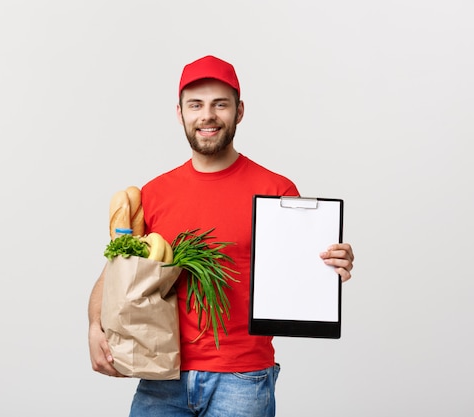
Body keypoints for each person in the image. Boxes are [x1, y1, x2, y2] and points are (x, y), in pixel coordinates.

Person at [88, 55, 355, 417]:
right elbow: (117, 273)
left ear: (239, 111)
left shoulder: (276, 190)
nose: (207, 116)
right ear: (180, 113)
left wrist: (330, 264)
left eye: (220, 104)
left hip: (243, 378)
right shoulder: (153, 194)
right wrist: (94, 326)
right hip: (162, 373)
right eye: (195, 105)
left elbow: (303, 275)